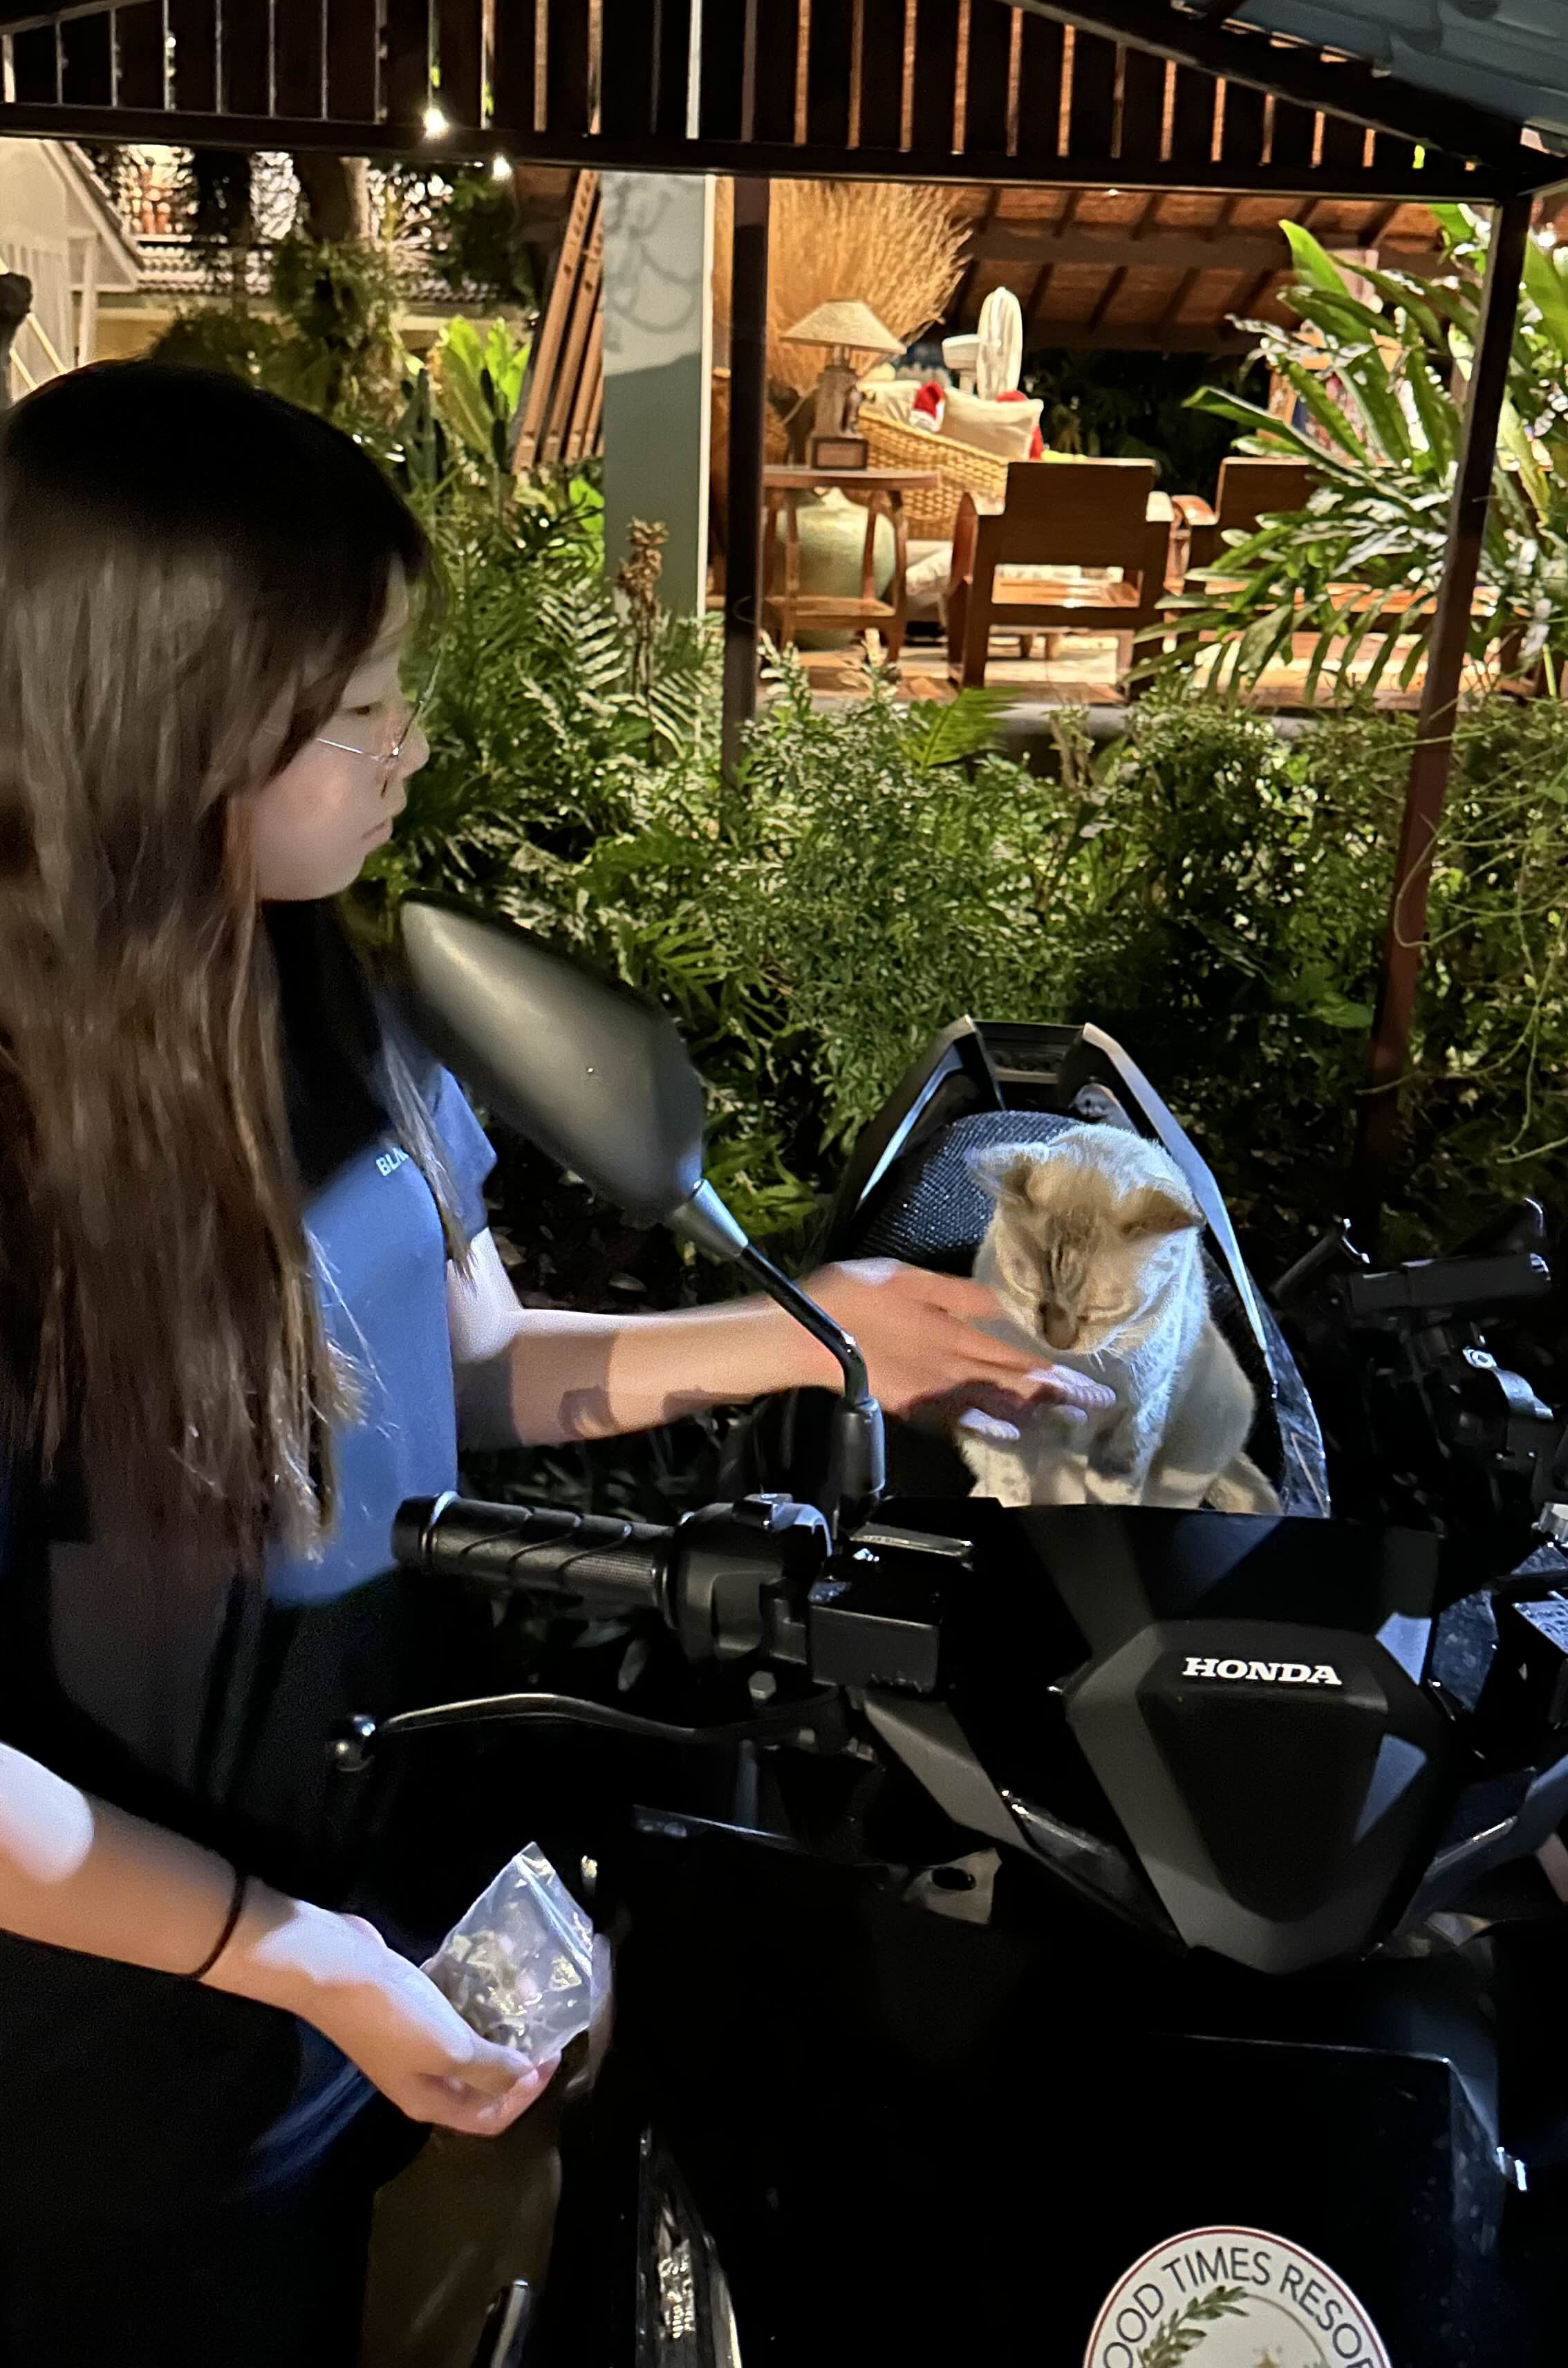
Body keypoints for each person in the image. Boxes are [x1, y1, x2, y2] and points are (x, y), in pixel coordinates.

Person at [0, 363, 1111, 2365]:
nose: (409, 745)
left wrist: (823, 1331)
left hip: (345, 1956)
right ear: (164, 730)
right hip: (101, 2090)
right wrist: (290, 1957)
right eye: (356, 710)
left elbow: (483, 1361)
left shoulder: (323, 999)